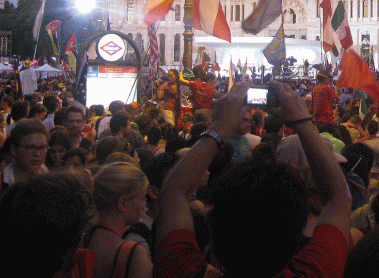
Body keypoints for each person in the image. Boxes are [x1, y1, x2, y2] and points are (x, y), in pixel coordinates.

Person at [153, 80, 351, 278]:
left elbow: (173, 191)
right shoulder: (314, 271)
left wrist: (220, 126)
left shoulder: (183, 270)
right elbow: (339, 198)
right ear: (299, 233)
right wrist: (302, 121)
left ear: (215, 231)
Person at [82, 161, 152, 278]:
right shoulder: (134, 254)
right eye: (142, 199)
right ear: (122, 203)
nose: (144, 206)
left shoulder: (83, 240)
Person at [1, 118, 49, 190]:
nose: (37, 154)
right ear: (14, 150)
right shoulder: (2, 183)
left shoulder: (50, 184)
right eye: (30, 148)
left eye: (42, 147)